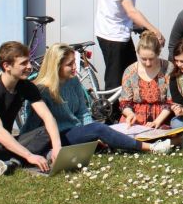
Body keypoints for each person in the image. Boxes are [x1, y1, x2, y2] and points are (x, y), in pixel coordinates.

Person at [19, 43, 172, 154]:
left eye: (75, 62)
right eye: (69, 64)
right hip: (55, 137)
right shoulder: (43, 90)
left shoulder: (73, 82)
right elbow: (32, 123)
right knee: (99, 128)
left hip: (74, 131)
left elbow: (83, 112)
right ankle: (151, 148)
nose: (75, 67)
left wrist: (90, 134)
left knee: (101, 129)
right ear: (56, 66)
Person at [0, 41, 63, 176]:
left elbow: (48, 117)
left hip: (5, 142)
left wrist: (57, 148)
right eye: (23, 63)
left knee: (45, 131)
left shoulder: (26, 86)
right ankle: (26, 157)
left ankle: (13, 162)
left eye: (29, 61)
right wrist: (29, 155)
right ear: (6, 66)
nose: (29, 66)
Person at [94, 0, 166, 120]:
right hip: (111, 34)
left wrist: (140, 28)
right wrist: (154, 30)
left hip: (123, 30)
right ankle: (110, 120)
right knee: (116, 79)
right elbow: (131, 11)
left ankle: (131, 113)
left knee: (133, 73)